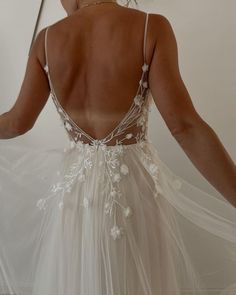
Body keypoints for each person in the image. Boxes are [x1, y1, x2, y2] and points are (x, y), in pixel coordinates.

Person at [0, 0, 235, 294]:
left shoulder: (46, 40)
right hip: (133, 195)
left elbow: (15, 123)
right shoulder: (151, 27)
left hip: (75, 198)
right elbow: (184, 127)